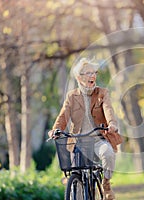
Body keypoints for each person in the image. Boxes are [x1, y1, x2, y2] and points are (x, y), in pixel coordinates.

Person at [48, 58, 122, 200]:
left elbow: (108, 110)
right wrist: (55, 129)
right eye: (88, 73)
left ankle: (106, 184)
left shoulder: (102, 93)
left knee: (108, 154)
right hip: (78, 141)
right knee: (76, 175)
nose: (92, 76)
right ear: (79, 77)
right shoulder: (72, 96)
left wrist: (112, 124)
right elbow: (63, 116)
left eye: (94, 72)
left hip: (98, 139)